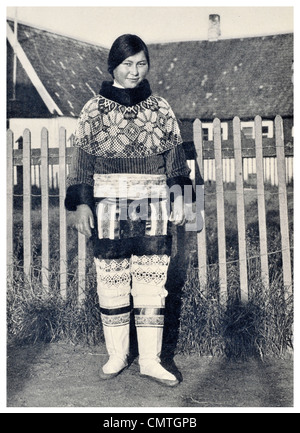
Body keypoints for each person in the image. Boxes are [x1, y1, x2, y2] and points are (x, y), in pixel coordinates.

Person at [65, 34, 195, 387]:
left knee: (152, 287)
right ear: (113, 67)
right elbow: (80, 162)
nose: (134, 71)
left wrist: (181, 198)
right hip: (107, 211)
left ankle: (151, 360)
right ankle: (118, 355)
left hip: (152, 209)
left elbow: (176, 162)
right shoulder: (92, 110)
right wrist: (80, 203)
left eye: (141, 63)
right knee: (112, 283)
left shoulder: (161, 109)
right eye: (127, 64)